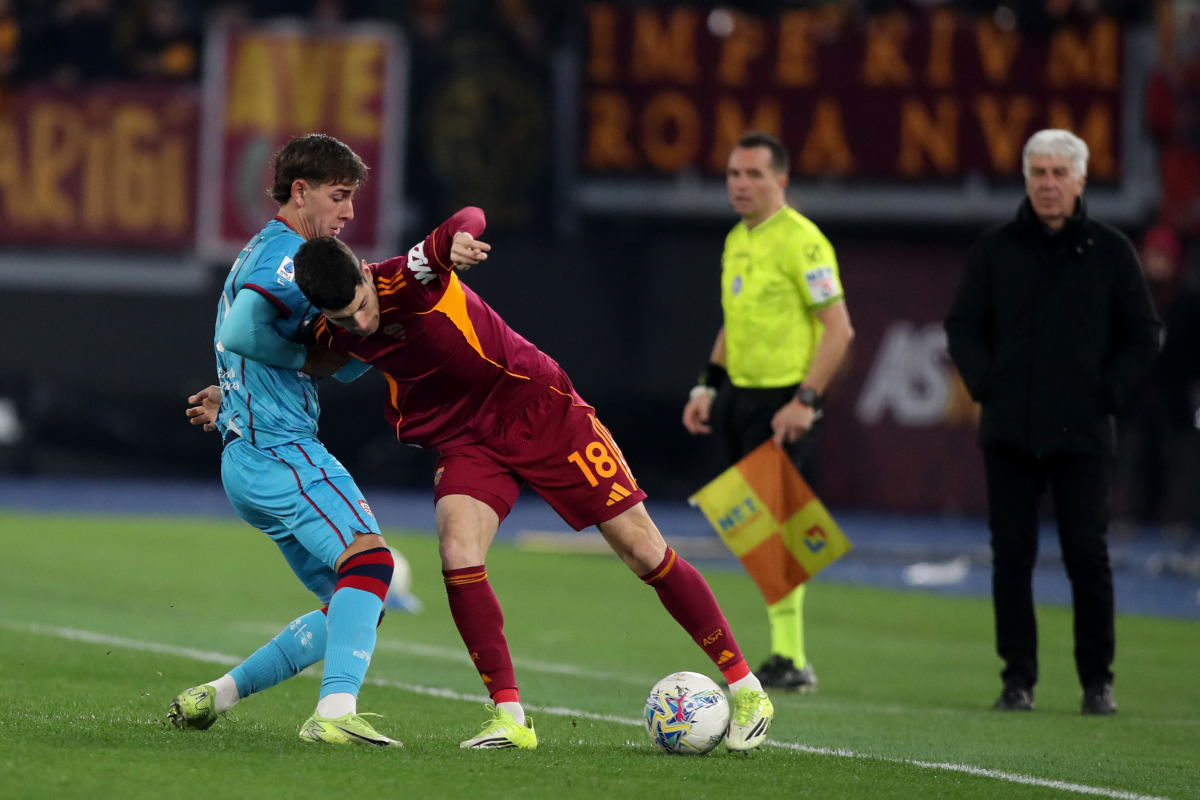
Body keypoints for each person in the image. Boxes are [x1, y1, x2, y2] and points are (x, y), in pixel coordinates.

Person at [291, 207, 776, 752]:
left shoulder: (408, 275)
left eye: (360, 306)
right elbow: (286, 357)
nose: (359, 323)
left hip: (540, 409)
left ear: (362, 271)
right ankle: (509, 717)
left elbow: (466, 217)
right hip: (468, 439)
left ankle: (746, 687)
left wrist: (461, 242)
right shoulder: (332, 327)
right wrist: (231, 394)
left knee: (643, 550)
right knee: (457, 551)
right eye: (344, 317)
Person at [170, 134, 402, 747]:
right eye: (338, 196)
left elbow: (252, 345)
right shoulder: (287, 253)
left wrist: (358, 350)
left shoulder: (273, 251)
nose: (348, 211)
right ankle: (333, 714)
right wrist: (311, 361)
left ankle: (215, 696)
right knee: (373, 562)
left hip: (250, 453)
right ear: (299, 192)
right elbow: (243, 330)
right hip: (281, 450)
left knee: (357, 600)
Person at [945, 129, 1162, 716]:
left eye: (1058, 173)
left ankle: (1098, 682)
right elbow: (961, 325)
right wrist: (988, 386)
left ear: (1081, 181)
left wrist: (1107, 393)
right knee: (1010, 558)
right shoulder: (994, 250)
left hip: (1084, 433)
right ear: (1025, 178)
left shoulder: (1113, 250)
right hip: (1010, 431)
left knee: (1086, 554)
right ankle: (1018, 680)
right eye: (1038, 172)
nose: (1047, 183)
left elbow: (1145, 335)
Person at [681, 131, 855, 692]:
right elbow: (736, 321)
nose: (740, 184)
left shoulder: (802, 242)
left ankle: (791, 656)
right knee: (749, 526)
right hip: (740, 395)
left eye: (754, 174)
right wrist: (707, 385)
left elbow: (839, 329)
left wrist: (806, 400)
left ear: (781, 180)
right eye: (733, 174)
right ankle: (786, 653)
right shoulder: (738, 239)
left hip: (783, 400)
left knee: (780, 530)